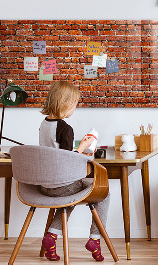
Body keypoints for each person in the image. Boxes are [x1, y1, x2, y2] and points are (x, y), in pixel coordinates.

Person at [39, 81, 109, 262]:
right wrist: (84, 147)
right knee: (104, 193)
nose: (75, 108)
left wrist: (79, 148)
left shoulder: (44, 124)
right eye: (75, 104)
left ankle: (51, 237)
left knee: (69, 196)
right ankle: (95, 239)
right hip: (62, 185)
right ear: (66, 104)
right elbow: (66, 160)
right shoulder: (65, 128)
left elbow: (56, 153)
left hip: (45, 185)